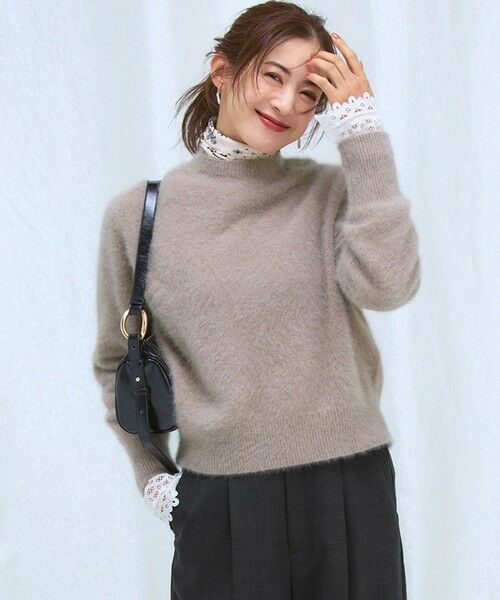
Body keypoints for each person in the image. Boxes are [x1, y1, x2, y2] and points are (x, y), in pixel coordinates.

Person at [92, 2, 420, 598]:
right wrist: (153, 478)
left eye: (310, 94)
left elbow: (389, 286)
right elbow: (117, 363)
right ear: (222, 70)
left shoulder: (332, 193)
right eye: (273, 75)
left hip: (352, 489)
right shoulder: (139, 216)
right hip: (222, 499)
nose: (286, 104)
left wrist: (363, 133)